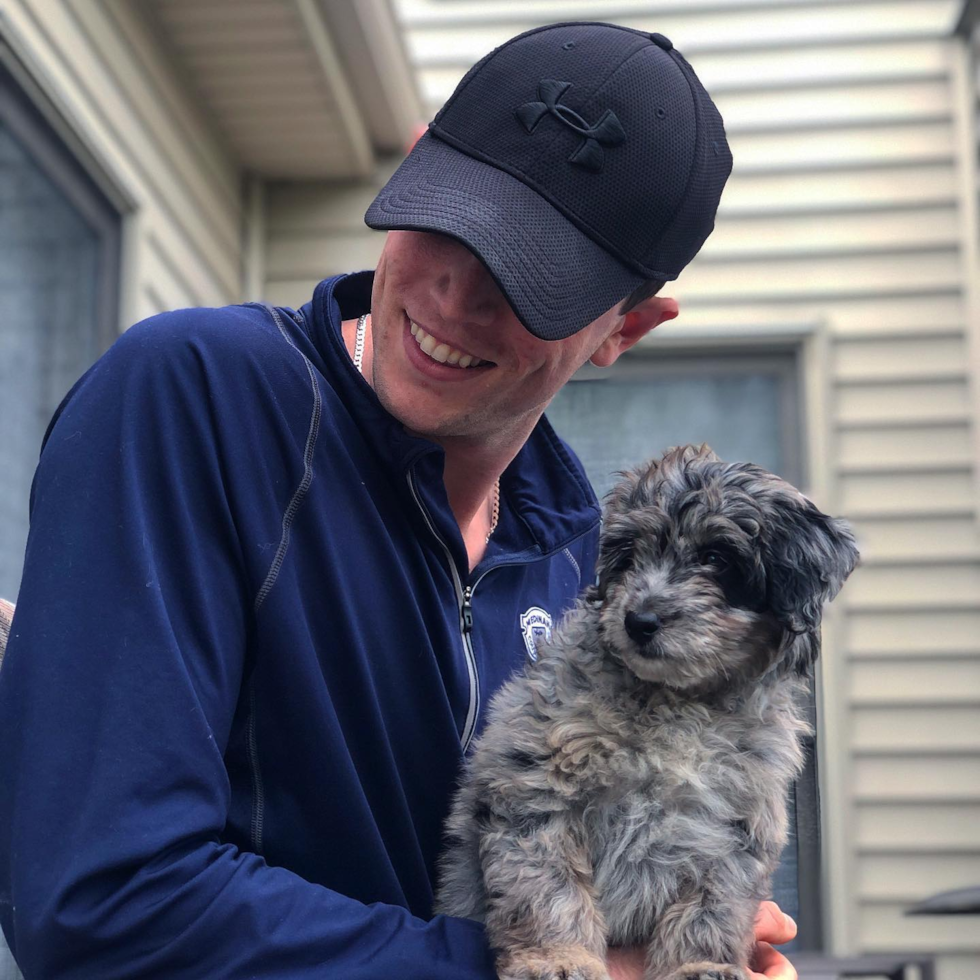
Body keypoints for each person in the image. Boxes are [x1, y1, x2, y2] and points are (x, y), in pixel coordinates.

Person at [0, 22, 800, 980]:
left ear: (624, 329)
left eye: (532, 279)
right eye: (449, 219)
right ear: (418, 160)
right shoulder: (199, 397)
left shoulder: (580, 549)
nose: (456, 294)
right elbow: (105, 904)